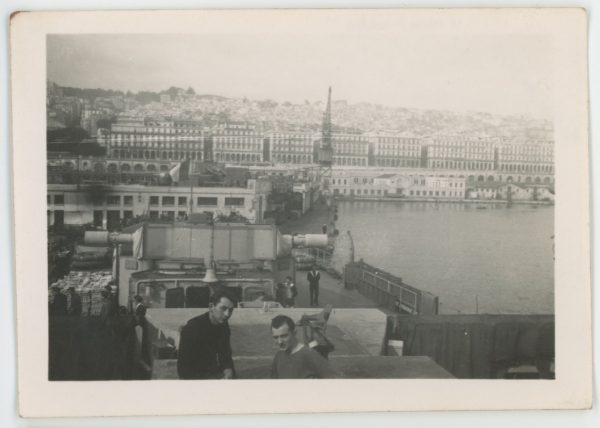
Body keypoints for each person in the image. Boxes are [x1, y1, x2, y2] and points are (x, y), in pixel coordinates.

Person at [177, 288, 237, 380]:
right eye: (223, 309)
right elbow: (183, 370)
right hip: (195, 379)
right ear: (211, 306)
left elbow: (225, 354)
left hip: (212, 373)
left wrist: (228, 370)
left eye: (230, 310)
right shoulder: (192, 328)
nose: (227, 314)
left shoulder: (223, 325)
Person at [270, 315, 336, 379]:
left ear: (294, 333)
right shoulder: (278, 356)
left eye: (284, 336)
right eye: (276, 337)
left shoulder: (310, 355)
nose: (279, 342)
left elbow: (334, 380)